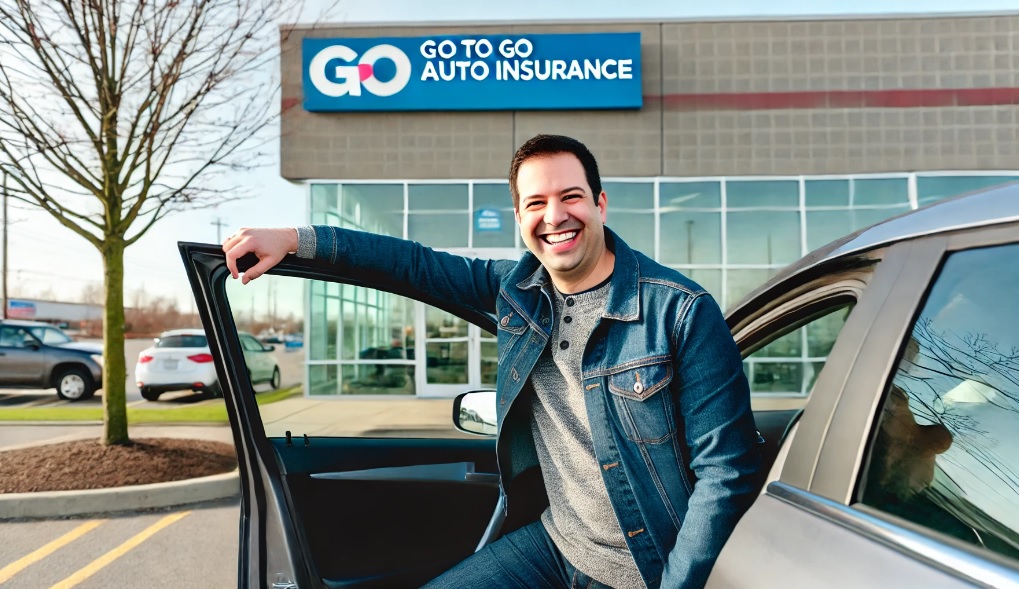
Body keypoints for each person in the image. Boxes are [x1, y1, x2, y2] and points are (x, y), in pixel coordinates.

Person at [223, 134, 762, 589]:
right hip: (556, 544)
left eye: (570, 197)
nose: (555, 217)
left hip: (648, 569)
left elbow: (727, 472)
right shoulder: (516, 289)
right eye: (536, 203)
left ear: (599, 203)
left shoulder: (680, 312)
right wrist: (295, 238)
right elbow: (413, 264)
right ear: (520, 216)